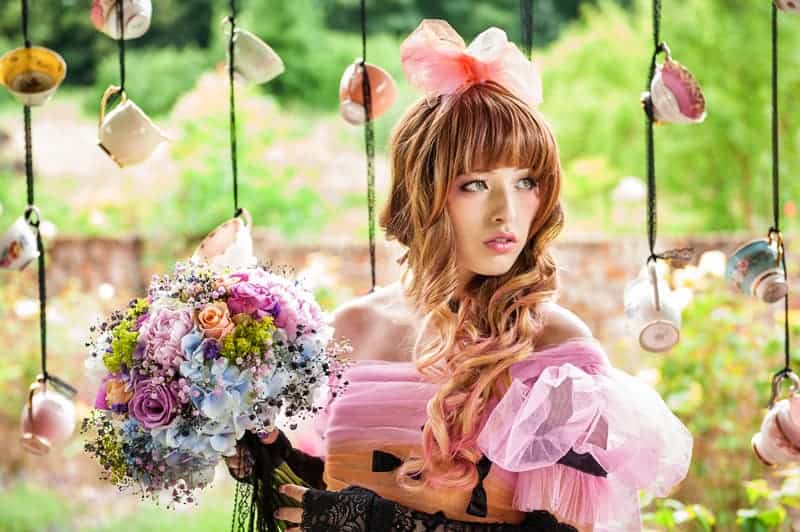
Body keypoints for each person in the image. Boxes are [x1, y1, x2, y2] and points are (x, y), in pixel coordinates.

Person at [227, 19, 692, 532]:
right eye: (475, 184)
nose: (506, 212)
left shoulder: (555, 352)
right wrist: (270, 454)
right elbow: (330, 493)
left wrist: (386, 524)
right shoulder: (351, 327)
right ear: (422, 191)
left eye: (526, 182)